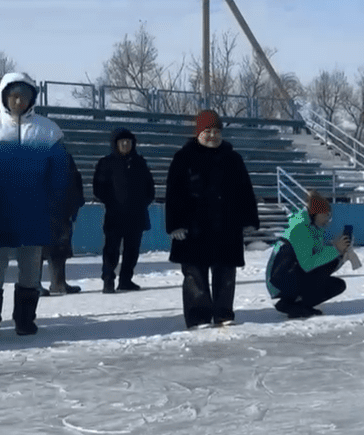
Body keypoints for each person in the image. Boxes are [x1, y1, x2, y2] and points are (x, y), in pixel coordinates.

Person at [0, 72, 69, 338]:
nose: (19, 100)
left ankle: (25, 321)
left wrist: (57, 211)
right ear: (4, 97)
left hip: (35, 216)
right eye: (14, 95)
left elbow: (60, 175)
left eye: (24, 95)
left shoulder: (48, 130)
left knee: (30, 274)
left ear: (32, 98)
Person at [165, 110, 259, 329]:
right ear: (199, 132)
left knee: (225, 273)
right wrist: (175, 224)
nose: (213, 135)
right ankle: (198, 316)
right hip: (193, 229)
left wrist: (248, 219)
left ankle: (223, 313)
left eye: (217, 131)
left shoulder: (233, 158)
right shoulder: (183, 158)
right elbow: (174, 193)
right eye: (208, 131)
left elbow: (245, 191)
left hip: (226, 226)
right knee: (194, 275)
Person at [265, 191, 354, 318]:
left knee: (337, 285)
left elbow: (321, 261)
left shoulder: (313, 229)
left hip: (290, 275)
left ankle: (297, 305)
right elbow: (308, 264)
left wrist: (341, 254)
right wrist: (335, 250)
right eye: (326, 215)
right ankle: (288, 303)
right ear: (316, 214)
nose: (328, 219)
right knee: (330, 274)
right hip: (279, 280)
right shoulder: (300, 229)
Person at [93, 127, 156, 293]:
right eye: (122, 142)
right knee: (111, 250)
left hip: (136, 215)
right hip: (115, 215)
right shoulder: (106, 163)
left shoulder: (139, 162)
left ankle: (126, 280)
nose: (126, 144)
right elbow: (98, 188)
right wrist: (110, 203)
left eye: (129, 141)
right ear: (116, 144)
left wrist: (143, 203)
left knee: (132, 250)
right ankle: (108, 280)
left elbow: (150, 187)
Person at [40, 148, 85, 296]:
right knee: (38, 250)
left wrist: (76, 203)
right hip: (43, 211)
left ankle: (59, 283)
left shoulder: (66, 158)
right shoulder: (39, 157)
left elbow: (77, 183)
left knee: (61, 248)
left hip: (63, 211)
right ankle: (33, 284)